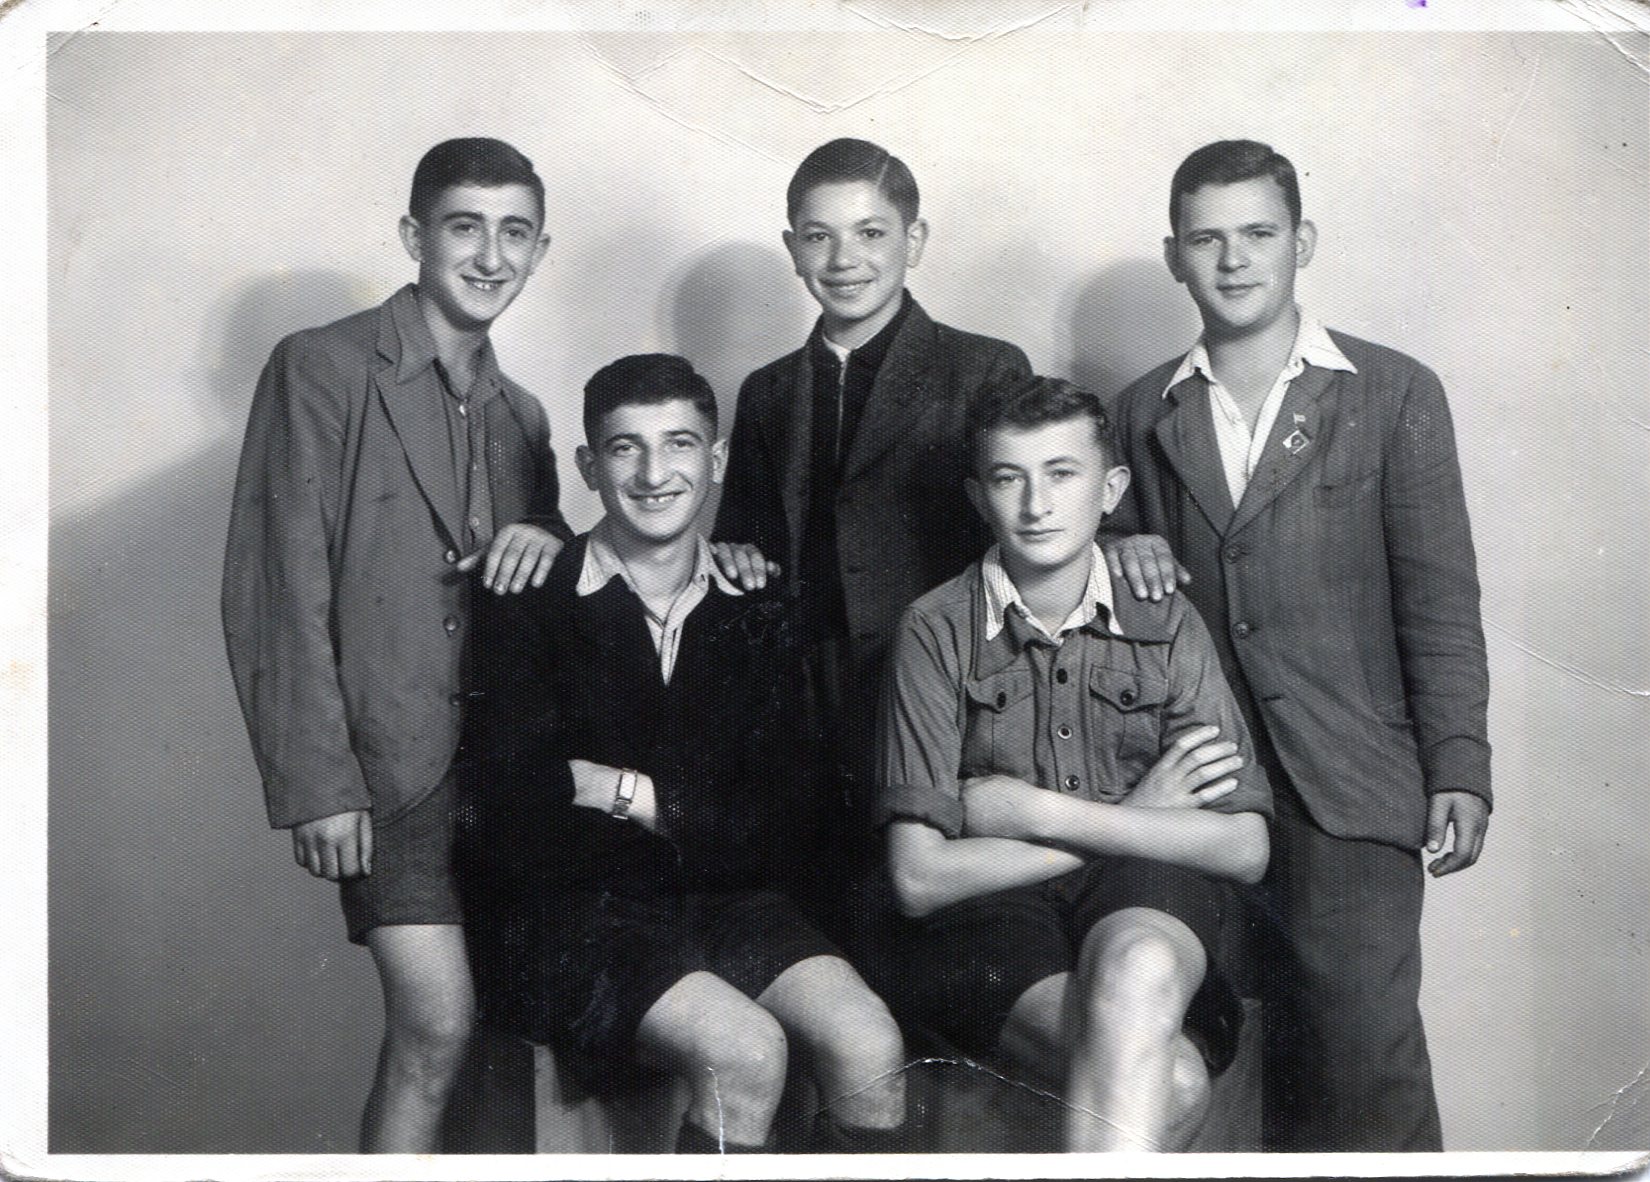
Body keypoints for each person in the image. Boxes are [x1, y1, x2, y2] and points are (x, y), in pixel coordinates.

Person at [1102, 139, 1492, 1151]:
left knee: (1363, 1057)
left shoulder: (1392, 393)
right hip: (1206, 791)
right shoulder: (1144, 412)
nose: (1234, 260)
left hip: (1353, 781)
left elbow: (1440, 600)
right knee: (1239, 1066)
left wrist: (1461, 764)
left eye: (1259, 234)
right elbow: (1114, 583)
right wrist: (1124, 545)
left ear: (1302, 242)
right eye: (1207, 239)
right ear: (1174, 256)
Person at [458, 354, 910, 1154]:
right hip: (578, 918)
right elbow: (518, 812)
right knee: (746, 1048)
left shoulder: (760, 603)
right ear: (588, 467)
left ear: (718, 460)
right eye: (626, 448)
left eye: (679, 444)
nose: (655, 472)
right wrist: (704, 815)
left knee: (868, 1043)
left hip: (730, 906)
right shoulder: (529, 601)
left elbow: (790, 816)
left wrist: (624, 791)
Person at [221, 138, 571, 1152]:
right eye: (466, 227)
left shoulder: (524, 416)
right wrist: (318, 784)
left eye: (516, 233)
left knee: (498, 1038)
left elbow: (544, 592)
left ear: (541, 249)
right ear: (416, 235)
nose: (491, 256)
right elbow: (277, 587)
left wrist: (544, 535)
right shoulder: (322, 367)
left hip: (503, 777)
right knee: (435, 1026)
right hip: (388, 773)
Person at [874, 374, 1272, 1152]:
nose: (1036, 504)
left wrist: (1038, 813)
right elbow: (919, 881)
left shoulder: (1167, 620)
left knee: (1139, 967)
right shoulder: (933, 629)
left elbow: (1245, 847)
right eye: (1008, 478)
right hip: (991, 919)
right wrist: (1136, 816)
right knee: (1176, 1083)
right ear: (976, 496)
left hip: (1139, 893)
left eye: (1062, 474)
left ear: (1111, 487)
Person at [712, 136, 1030, 925]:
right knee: (821, 918)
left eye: (871, 232)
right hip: (800, 711)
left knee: (930, 935)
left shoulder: (984, 370)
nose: (844, 258)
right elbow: (738, 549)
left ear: (913, 242)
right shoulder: (767, 392)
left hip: (938, 703)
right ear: (792, 250)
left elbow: (1036, 529)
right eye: (819, 236)